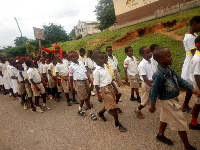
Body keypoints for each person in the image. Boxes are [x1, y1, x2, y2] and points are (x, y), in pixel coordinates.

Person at [149, 47, 197, 150]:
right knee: (180, 122)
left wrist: (191, 89)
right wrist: (152, 104)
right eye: (169, 56)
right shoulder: (159, 74)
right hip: (168, 101)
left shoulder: (169, 70)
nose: (171, 58)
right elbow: (154, 90)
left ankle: (160, 135)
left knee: (164, 117)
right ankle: (187, 146)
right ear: (161, 60)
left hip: (171, 99)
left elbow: (179, 80)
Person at [93, 51, 127, 132]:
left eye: (103, 58)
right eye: (100, 58)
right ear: (94, 60)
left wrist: (115, 87)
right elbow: (96, 85)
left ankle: (101, 113)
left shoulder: (105, 66)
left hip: (110, 87)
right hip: (104, 89)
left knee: (111, 103)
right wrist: (98, 95)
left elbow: (109, 78)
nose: (102, 60)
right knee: (114, 106)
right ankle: (117, 123)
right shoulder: (96, 71)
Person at [68, 51, 97, 121]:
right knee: (86, 98)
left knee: (83, 97)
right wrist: (72, 87)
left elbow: (85, 71)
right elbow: (71, 78)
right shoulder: (71, 67)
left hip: (85, 81)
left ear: (77, 56)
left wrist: (89, 78)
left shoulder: (81, 62)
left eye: (73, 56)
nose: (72, 58)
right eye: (71, 57)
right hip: (79, 82)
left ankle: (79, 109)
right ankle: (91, 112)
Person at [181, 16, 200, 112]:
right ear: (195, 23)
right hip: (191, 62)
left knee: (190, 86)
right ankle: (185, 105)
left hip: (194, 60)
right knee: (191, 84)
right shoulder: (189, 37)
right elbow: (194, 52)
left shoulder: (194, 35)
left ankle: (185, 105)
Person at [134, 46, 157, 119]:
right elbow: (144, 77)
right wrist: (152, 86)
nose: (150, 53)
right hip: (147, 84)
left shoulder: (152, 61)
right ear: (142, 55)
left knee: (159, 97)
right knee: (145, 100)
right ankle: (138, 109)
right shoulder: (142, 65)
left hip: (154, 82)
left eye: (150, 51)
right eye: (148, 52)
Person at [189, 35, 200, 130]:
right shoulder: (197, 59)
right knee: (198, 103)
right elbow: (197, 76)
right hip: (198, 84)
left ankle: (193, 121)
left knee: (198, 103)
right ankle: (193, 122)